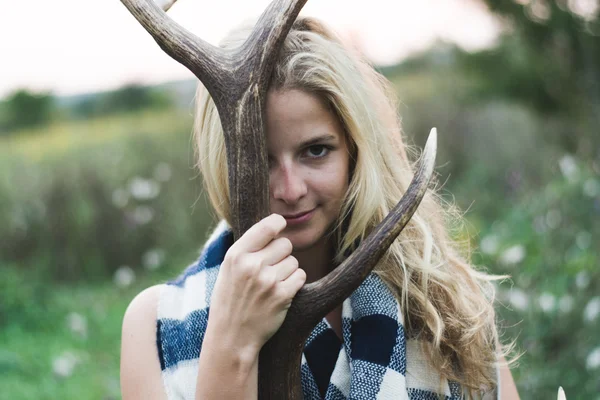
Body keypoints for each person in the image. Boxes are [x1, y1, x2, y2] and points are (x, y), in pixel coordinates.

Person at [120, 16, 519, 400]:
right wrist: (231, 344)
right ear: (223, 161)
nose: (291, 190)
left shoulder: (443, 307)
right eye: (260, 159)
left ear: (354, 151)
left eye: (315, 151)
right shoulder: (157, 326)